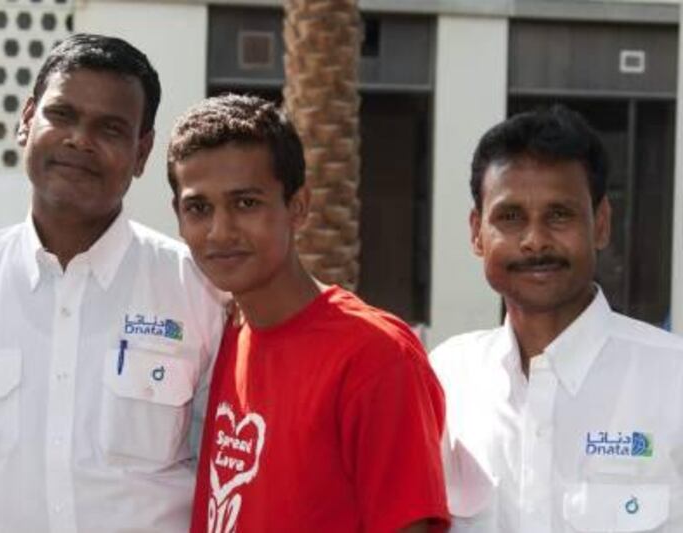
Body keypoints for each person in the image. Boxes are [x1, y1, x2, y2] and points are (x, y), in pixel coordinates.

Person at [0, 34, 224, 532]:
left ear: (142, 152)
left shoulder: (198, 290)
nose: (79, 140)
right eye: (61, 115)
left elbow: (231, 478)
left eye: (110, 128)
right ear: (26, 121)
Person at [167, 94, 449, 533]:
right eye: (199, 208)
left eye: (246, 203)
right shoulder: (225, 336)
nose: (220, 231)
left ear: (298, 206)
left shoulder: (375, 356)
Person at [430, 105, 683, 532]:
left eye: (559, 215)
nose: (535, 240)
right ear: (476, 232)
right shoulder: (445, 378)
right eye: (510, 217)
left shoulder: (672, 378)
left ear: (600, 224)